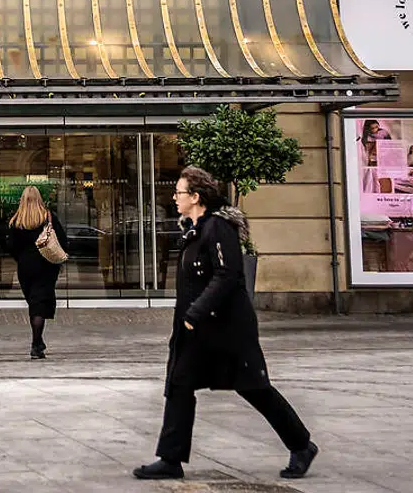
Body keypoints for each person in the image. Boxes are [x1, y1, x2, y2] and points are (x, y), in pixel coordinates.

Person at [134, 167, 317, 481]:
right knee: (179, 385)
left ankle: (301, 445)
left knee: (254, 388)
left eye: (179, 193)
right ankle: (170, 459)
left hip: (227, 329)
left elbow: (227, 275)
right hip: (195, 330)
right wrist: (187, 320)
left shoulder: (218, 228)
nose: (174, 198)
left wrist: (196, 313)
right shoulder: (194, 229)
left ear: (196, 197)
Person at [5, 186, 66, 359]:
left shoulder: (17, 221)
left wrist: (21, 258)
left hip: (25, 266)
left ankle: (38, 343)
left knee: (34, 302)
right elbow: (62, 240)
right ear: (39, 198)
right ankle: (36, 343)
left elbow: (10, 246)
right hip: (46, 265)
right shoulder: (47, 217)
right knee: (39, 303)